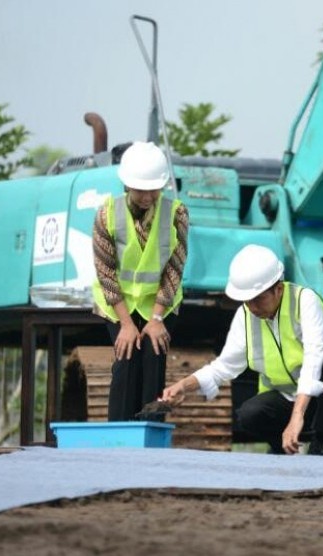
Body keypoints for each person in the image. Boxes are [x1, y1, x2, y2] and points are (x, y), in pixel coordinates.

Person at [161, 244, 323, 456]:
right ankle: (283, 450)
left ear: (278, 289)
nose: (252, 307)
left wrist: (298, 416)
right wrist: (183, 386)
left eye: (258, 299)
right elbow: (224, 366)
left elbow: (314, 357)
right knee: (250, 414)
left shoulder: (304, 301)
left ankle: (319, 443)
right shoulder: (245, 316)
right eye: (247, 301)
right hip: (289, 397)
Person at [92, 141, 189, 421]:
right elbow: (106, 272)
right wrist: (125, 324)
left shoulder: (177, 213)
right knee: (126, 362)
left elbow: (175, 268)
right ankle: (119, 434)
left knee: (153, 356)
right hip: (117, 303)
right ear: (127, 185)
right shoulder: (106, 213)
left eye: (153, 189)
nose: (147, 196)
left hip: (159, 302)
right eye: (140, 190)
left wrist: (156, 319)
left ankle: (150, 431)